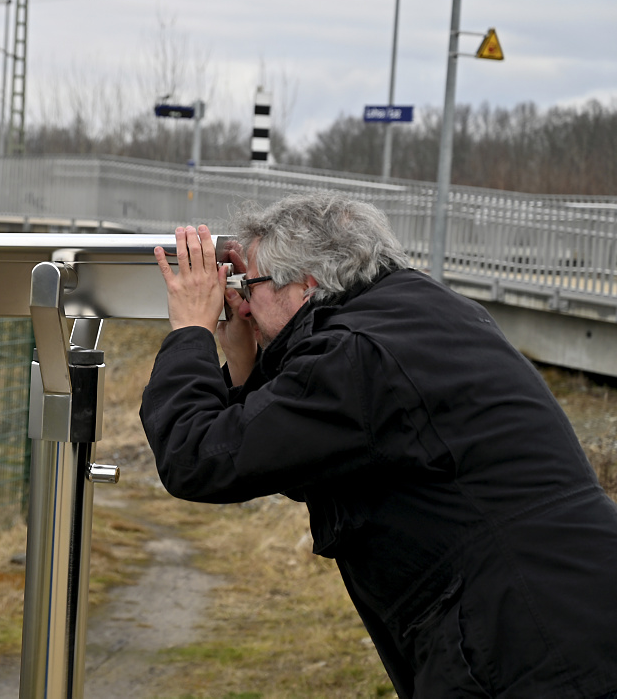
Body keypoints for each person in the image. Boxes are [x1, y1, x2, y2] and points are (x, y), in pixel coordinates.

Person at [139, 191, 617, 699]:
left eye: (248, 285)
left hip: (530, 642)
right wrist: (243, 361)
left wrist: (190, 330)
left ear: (307, 282)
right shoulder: (419, 315)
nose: (242, 304)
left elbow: (197, 457)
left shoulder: (357, 357)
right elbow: (293, 446)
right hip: (573, 607)